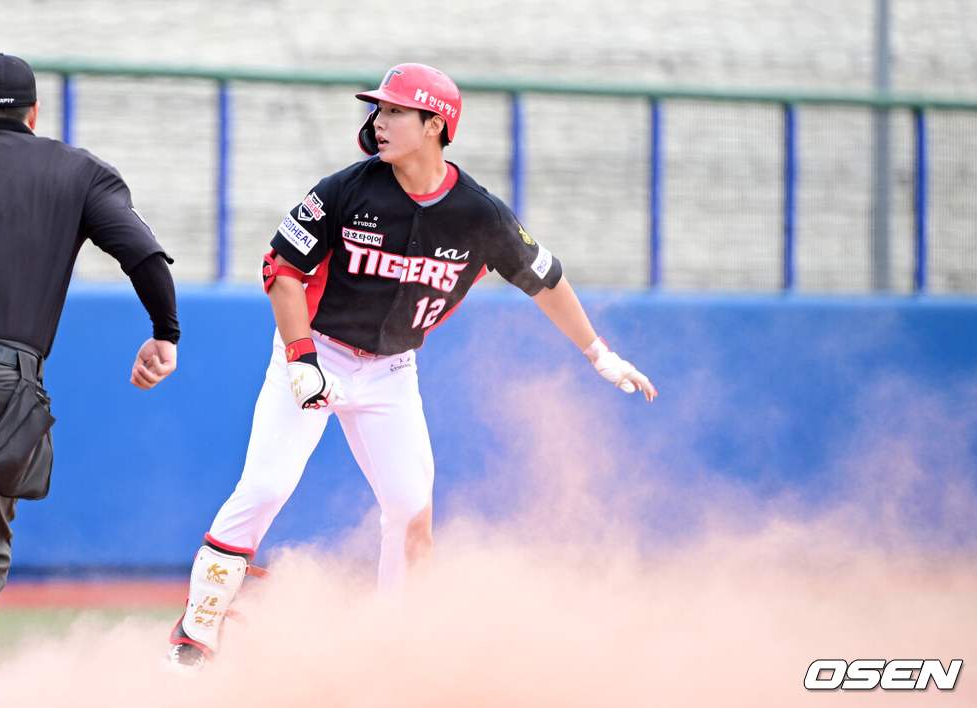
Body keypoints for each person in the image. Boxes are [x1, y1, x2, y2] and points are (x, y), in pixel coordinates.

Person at [164, 63, 656, 672]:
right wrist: (301, 359)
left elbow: (545, 279)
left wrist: (599, 354)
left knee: (411, 510)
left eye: (396, 111)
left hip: (393, 371)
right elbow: (281, 271)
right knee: (264, 487)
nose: (380, 120)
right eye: (379, 109)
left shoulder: (481, 215)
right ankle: (196, 632)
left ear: (435, 125)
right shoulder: (346, 189)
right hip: (316, 351)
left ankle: (392, 648)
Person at [0, 54, 180, 704]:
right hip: (1, 393)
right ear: (33, 115)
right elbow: (143, 253)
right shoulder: (76, 170)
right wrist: (165, 333)